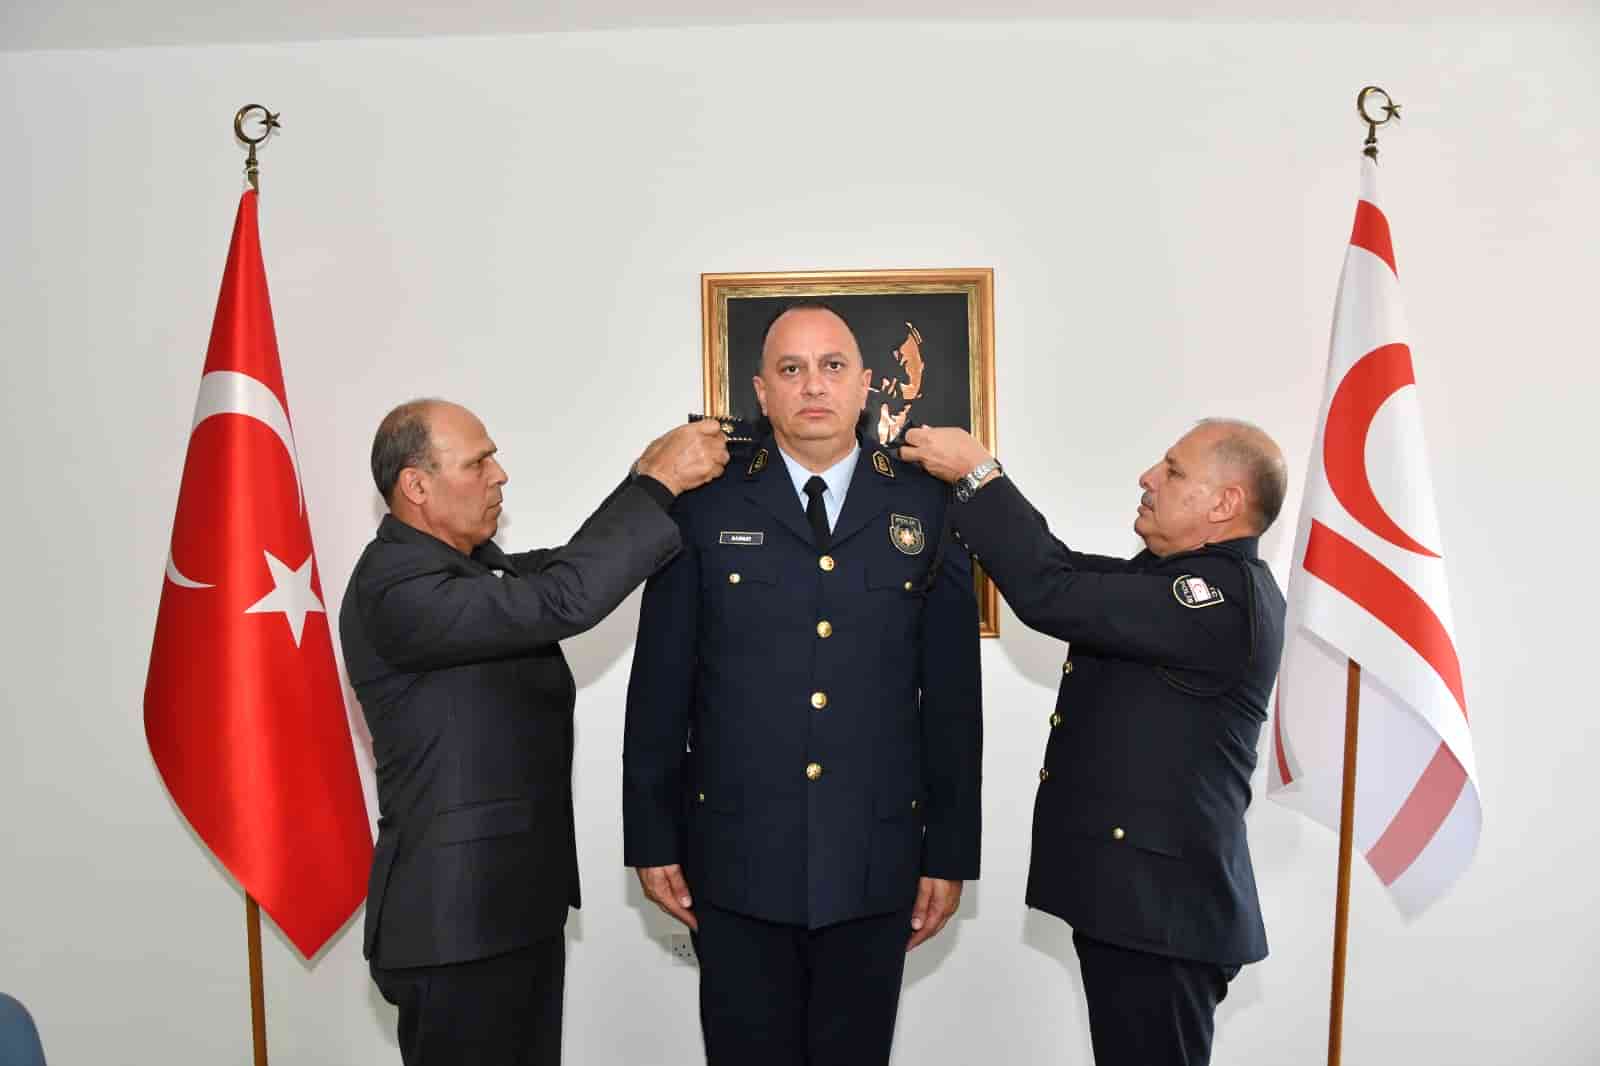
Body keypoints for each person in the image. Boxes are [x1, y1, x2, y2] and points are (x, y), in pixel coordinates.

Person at [624, 303, 983, 1066]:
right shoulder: (704, 504)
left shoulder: (926, 503)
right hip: (733, 855)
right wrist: (651, 836)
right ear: (762, 390)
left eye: (832, 366)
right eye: (791, 369)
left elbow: (952, 701)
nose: (813, 385)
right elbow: (660, 684)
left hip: (874, 857)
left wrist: (949, 852)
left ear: (864, 384)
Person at [339, 399, 728, 1066]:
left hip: (510, 913)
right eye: (478, 462)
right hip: (454, 928)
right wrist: (656, 483)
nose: (500, 475)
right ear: (417, 485)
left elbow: (568, 569)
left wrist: (644, 479)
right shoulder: (395, 586)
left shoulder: (466, 571)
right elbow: (563, 599)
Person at [900, 419, 1288, 1066]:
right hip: (1143, 907)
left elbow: (1051, 592)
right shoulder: (1183, 584)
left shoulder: (1216, 599)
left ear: (1224, 504)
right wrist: (972, 494)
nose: (1148, 478)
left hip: (1161, 916)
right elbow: (1062, 570)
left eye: (1174, 470)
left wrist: (977, 474)